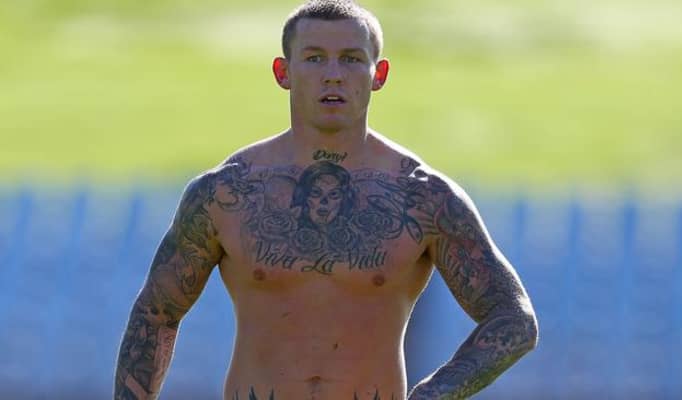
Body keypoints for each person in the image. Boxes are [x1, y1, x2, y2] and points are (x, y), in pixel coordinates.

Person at [113, 0, 538, 399]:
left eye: (351, 59)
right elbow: (156, 313)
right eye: (315, 58)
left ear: (378, 74)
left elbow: (513, 319)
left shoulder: (422, 197)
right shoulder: (226, 194)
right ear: (283, 72)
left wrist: (432, 394)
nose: (333, 75)